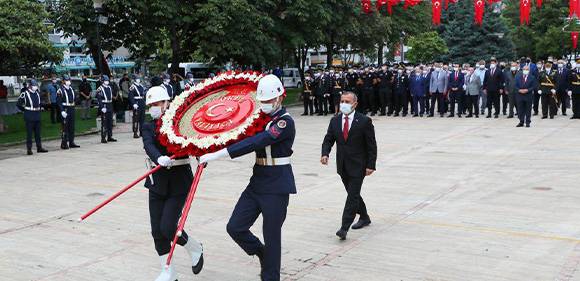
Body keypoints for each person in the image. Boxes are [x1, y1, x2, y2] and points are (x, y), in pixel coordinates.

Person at [199, 75, 296, 281]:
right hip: (257, 181)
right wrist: (208, 143)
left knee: (272, 236)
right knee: (235, 226)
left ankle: (271, 277)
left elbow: (258, 141)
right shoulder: (260, 119)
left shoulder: (285, 123)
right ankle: (261, 253)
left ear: (280, 98)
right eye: (263, 101)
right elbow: (236, 134)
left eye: (269, 101)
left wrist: (218, 155)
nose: (265, 105)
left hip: (277, 185)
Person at [142, 86, 204, 281]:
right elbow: (148, 144)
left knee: (168, 227)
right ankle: (168, 271)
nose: (153, 107)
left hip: (179, 181)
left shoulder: (180, 123)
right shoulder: (148, 126)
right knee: (156, 231)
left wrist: (202, 154)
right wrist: (158, 157)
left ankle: (194, 248)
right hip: (157, 181)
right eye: (150, 105)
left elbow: (194, 139)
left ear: (167, 103)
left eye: (157, 103)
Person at [321, 91, 377, 240]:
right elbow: (328, 139)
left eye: (347, 101)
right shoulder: (335, 120)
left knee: (352, 196)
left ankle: (344, 228)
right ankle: (364, 217)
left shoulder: (364, 121)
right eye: (342, 101)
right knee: (353, 194)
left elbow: (372, 146)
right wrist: (325, 153)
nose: (344, 104)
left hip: (359, 165)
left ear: (355, 104)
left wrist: (371, 165)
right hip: (343, 165)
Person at [17, 79, 48, 155]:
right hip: (29, 115)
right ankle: (29, 149)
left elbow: (39, 103)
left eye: (35, 85)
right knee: (29, 134)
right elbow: (18, 104)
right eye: (33, 86)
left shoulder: (37, 93)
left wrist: (42, 107)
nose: (35, 87)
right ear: (30, 86)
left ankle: (39, 147)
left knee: (38, 133)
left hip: (37, 115)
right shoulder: (25, 94)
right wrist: (25, 110)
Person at [56, 75, 80, 149]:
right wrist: (62, 111)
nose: (68, 81)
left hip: (71, 108)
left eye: (69, 80)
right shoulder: (60, 90)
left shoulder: (71, 89)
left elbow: (75, 98)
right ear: (63, 81)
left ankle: (71, 142)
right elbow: (59, 102)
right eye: (66, 80)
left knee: (71, 127)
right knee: (65, 127)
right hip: (65, 109)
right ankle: (64, 143)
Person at [96, 75, 117, 143]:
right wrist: (102, 107)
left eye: (107, 80)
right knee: (104, 122)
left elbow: (111, 97)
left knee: (110, 122)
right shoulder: (100, 89)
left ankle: (110, 136)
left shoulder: (109, 88)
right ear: (102, 81)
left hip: (109, 105)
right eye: (105, 80)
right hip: (104, 105)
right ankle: (103, 137)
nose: (107, 82)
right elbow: (99, 99)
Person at [128, 74, 146, 138]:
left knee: (142, 119)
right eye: (137, 79)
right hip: (136, 103)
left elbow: (144, 95)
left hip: (141, 103)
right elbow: (130, 96)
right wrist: (133, 103)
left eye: (139, 78)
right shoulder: (132, 87)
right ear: (135, 80)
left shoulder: (141, 86)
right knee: (136, 118)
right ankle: (135, 132)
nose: (139, 80)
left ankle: (141, 132)